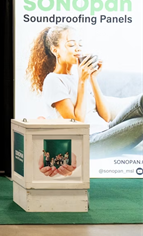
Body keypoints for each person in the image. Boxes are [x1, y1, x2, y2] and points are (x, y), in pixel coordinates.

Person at [27, 25, 143, 161]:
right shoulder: (53, 80)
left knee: (140, 101)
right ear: (55, 50)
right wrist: (82, 81)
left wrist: (92, 78)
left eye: (80, 44)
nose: (78, 48)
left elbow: (106, 117)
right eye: (71, 45)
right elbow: (76, 125)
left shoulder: (79, 77)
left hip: (106, 131)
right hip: (86, 141)